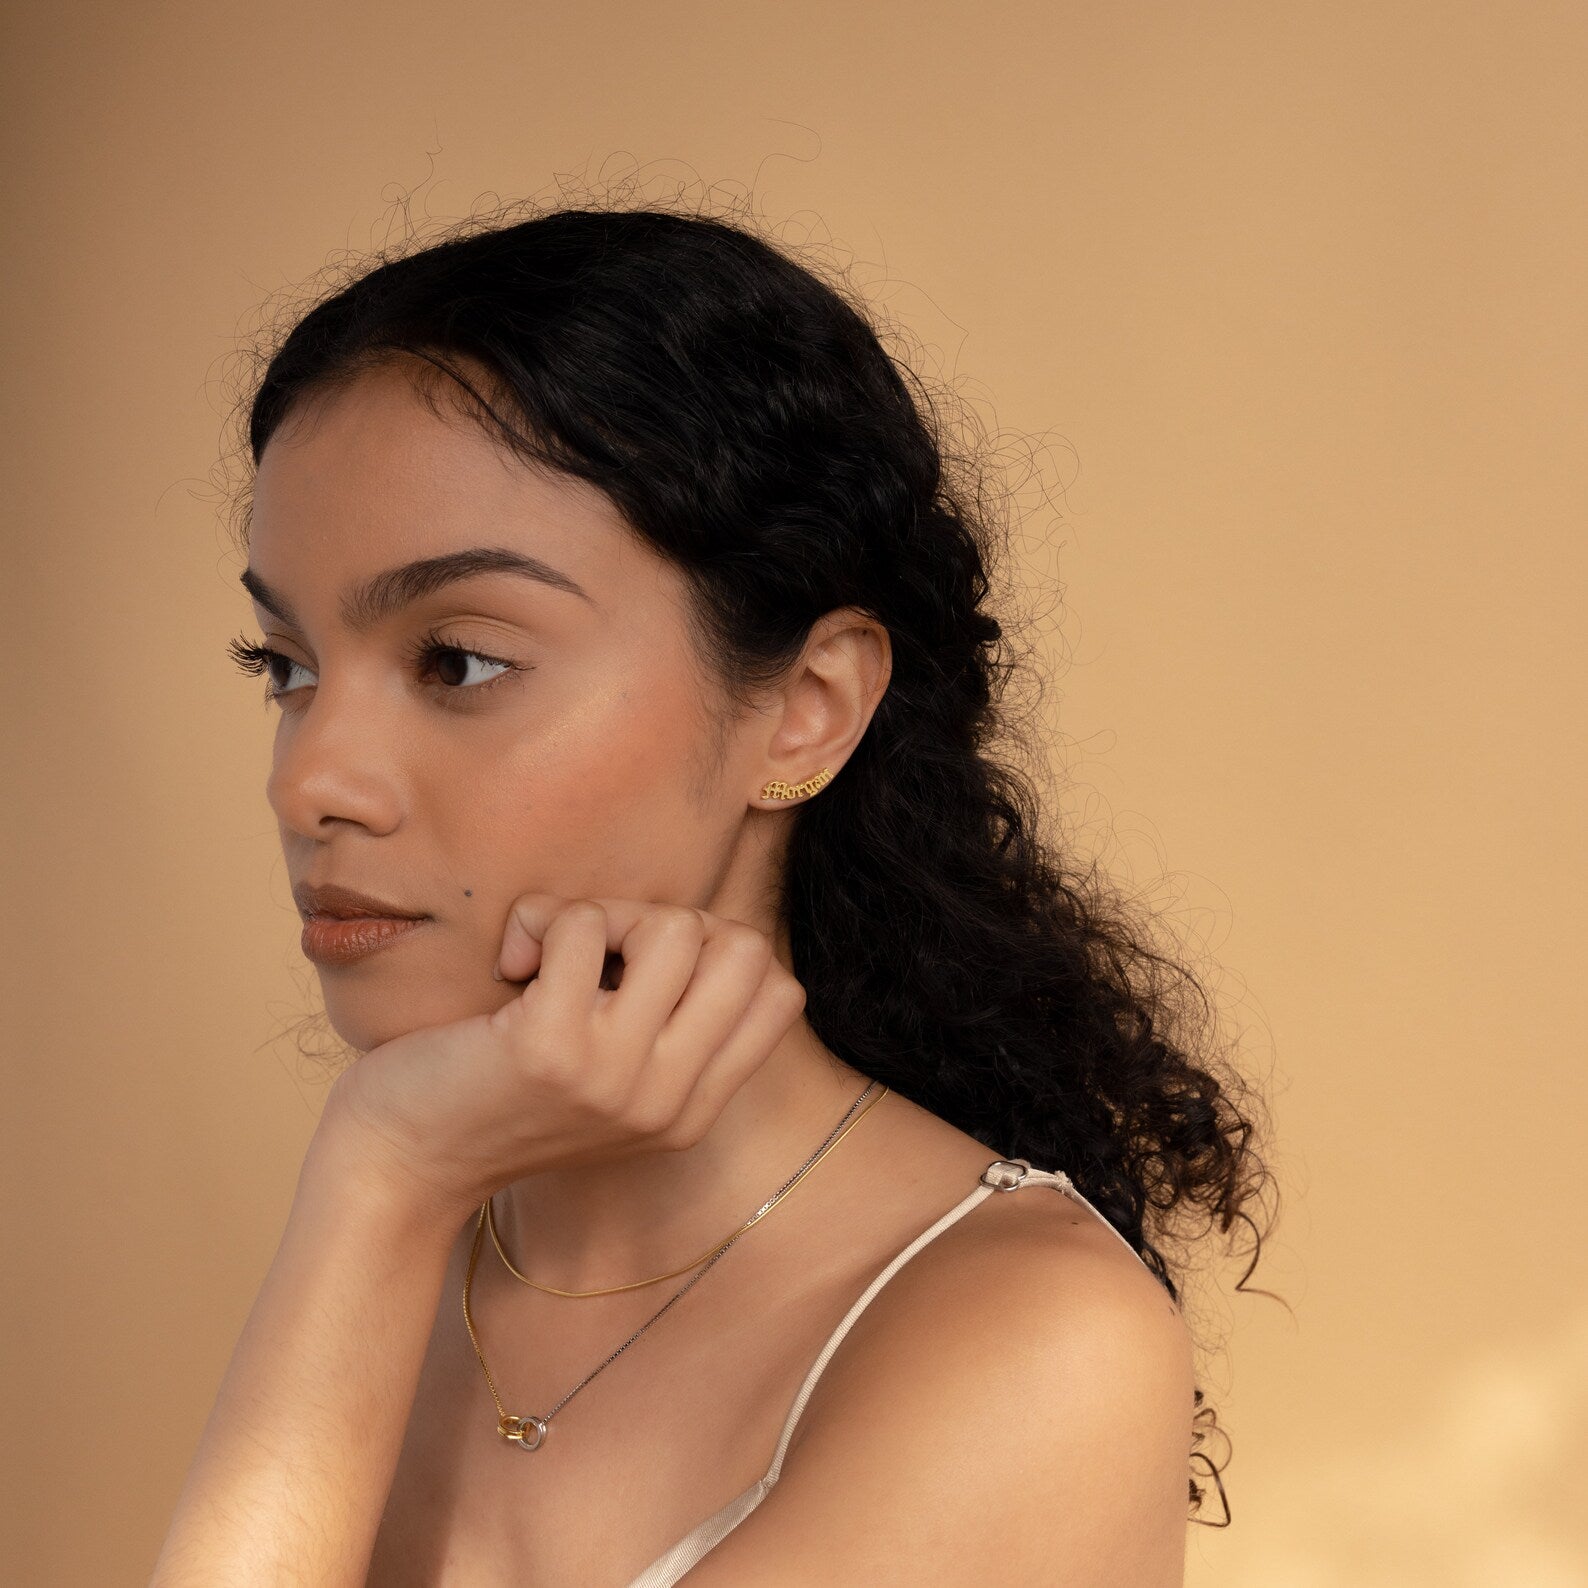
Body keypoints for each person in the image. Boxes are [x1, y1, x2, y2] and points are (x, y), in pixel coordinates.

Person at [151, 199, 1268, 1586]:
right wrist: (382, 1192)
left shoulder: (1029, 1336)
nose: (311, 779)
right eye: (288, 666)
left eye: (461, 662)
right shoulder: (413, 1246)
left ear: (804, 709)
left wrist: (380, 1179)